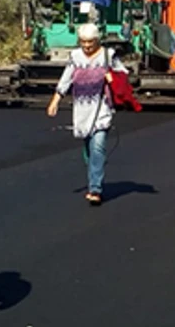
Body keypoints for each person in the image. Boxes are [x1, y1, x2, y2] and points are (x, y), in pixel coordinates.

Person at [47, 23, 128, 205]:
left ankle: (95, 189)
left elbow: (123, 75)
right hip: (82, 109)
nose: (87, 46)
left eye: (90, 42)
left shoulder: (109, 56)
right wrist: (55, 101)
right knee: (89, 150)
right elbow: (66, 78)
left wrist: (111, 78)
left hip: (102, 108)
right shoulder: (75, 57)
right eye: (83, 42)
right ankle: (94, 173)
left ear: (97, 40)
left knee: (98, 146)